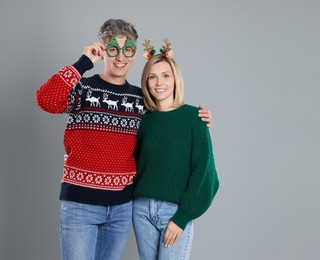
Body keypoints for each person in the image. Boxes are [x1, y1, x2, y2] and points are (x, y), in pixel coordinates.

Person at [35, 19, 212, 260]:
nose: (120, 57)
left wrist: (198, 118)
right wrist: (84, 62)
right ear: (103, 49)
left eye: (127, 50)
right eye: (113, 49)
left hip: (120, 208)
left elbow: (167, 123)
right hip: (80, 205)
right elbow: (46, 99)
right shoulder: (82, 90)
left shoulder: (140, 101)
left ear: (134, 53)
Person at [132, 38, 219, 260]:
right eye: (152, 76)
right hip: (140, 210)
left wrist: (182, 217)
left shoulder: (194, 118)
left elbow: (205, 173)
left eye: (165, 75)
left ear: (175, 79)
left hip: (175, 211)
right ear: (146, 82)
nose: (159, 82)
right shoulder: (143, 121)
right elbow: (129, 161)